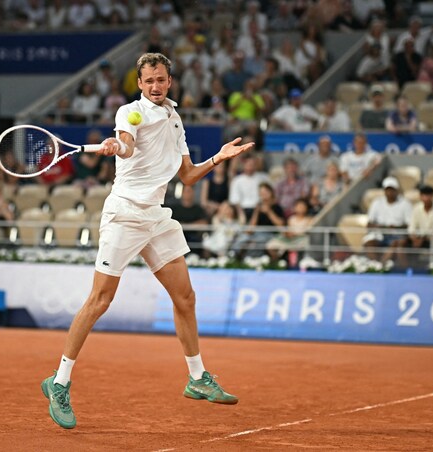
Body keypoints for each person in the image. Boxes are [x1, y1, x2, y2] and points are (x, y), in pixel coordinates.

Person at [41, 53, 252, 430]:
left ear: (170, 82)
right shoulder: (129, 112)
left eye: (161, 80)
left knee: (185, 298)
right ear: (140, 84)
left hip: (156, 216)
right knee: (100, 301)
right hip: (124, 213)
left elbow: (186, 177)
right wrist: (116, 146)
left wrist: (218, 158)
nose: (155, 86)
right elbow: (127, 143)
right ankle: (59, 383)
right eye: (148, 81)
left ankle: (196, 378)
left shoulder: (175, 118)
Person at [394, 184, 433, 267]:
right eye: (424, 195)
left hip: (432, 239)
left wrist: (423, 238)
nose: (426, 198)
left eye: (428, 195)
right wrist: (415, 238)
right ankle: (405, 269)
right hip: (418, 238)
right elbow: (411, 228)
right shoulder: (416, 208)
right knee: (401, 243)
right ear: (420, 196)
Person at [363, 177, 413, 261]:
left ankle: (382, 266)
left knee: (396, 244)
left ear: (397, 190)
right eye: (387, 189)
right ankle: (375, 265)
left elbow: (409, 224)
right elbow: (369, 223)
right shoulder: (377, 203)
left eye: (392, 190)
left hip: (398, 235)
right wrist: (381, 227)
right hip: (379, 234)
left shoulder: (405, 204)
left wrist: (395, 228)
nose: (390, 192)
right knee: (369, 244)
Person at [231, 182, 285, 258]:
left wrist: (269, 211)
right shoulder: (258, 207)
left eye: (265, 192)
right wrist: (256, 211)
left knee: (255, 242)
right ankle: (233, 255)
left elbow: (280, 224)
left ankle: (254, 260)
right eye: (261, 193)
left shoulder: (277, 207)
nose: (263, 194)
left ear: (271, 192)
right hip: (256, 232)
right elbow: (251, 228)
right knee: (242, 237)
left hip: (270, 233)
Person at [266, 197, 313, 263]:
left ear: (306, 208)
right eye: (299, 206)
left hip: (301, 239)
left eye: (302, 206)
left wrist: (296, 234)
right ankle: (277, 261)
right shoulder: (291, 219)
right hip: (289, 239)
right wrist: (287, 233)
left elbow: (307, 231)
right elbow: (288, 230)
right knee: (271, 244)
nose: (300, 208)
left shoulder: (310, 219)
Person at [169, 185, 209, 254]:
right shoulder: (175, 209)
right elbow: (170, 223)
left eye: (190, 191)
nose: (188, 194)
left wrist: (185, 225)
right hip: (178, 238)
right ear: (182, 193)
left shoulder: (198, 209)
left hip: (194, 238)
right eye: (187, 191)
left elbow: (204, 223)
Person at [228, 154, 269, 220]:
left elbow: (269, 195)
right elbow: (235, 199)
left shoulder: (264, 178)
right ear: (243, 165)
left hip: (260, 209)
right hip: (242, 210)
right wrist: (241, 214)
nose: (250, 166)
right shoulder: (237, 180)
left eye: (252, 164)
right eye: (248, 164)